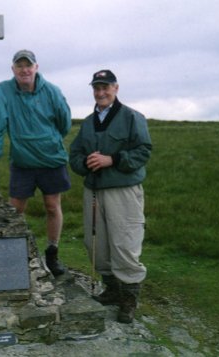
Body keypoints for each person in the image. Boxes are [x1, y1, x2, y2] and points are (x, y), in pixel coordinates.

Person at [69, 69, 152, 323]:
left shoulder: (131, 117)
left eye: (106, 87)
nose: (101, 92)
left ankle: (129, 299)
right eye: (96, 88)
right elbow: (74, 155)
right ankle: (112, 290)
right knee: (98, 246)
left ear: (116, 88)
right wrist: (87, 163)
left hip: (123, 191)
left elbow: (143, 151)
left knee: (124, 244)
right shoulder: (87, 122)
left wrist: (112, 159)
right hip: (93, 192)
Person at [0, 49, 71, 276]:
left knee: (52, 206)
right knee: (16, 209)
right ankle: (11, 253)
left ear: (36, 67)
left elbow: (65, 123)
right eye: (19, 66)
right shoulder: (4, 90)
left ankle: (52, 253)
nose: (24, 70)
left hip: (51, 160)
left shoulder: (52, 91)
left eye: (28, 65)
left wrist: (50, 141)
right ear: (13, 69)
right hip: (22, 161)